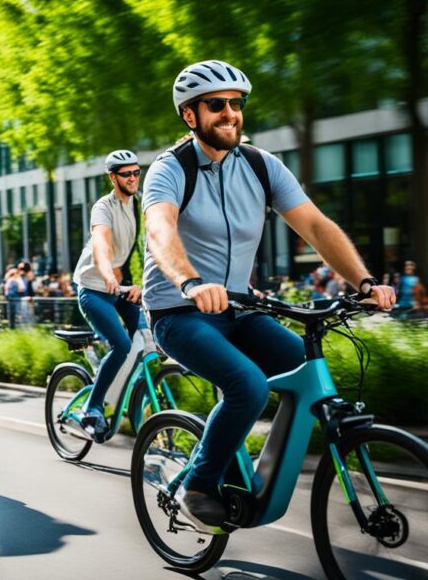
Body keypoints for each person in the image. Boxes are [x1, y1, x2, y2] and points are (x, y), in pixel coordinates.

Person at [143, 60, 395, 530]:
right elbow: (160, 229)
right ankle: (200, 483)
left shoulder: (261, 165)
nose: (229, 113)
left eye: (236, 104)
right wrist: (191, 282)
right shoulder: (168, 171)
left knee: (310, 375)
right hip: (181, 312)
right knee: (248, 386)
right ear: (190, 116)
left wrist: (363, 283)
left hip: (241, 307)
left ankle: (260, 474)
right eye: (216, 105)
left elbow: (315, 225)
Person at [70, 150, 144, 437]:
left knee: (151, 339)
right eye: (126, 174)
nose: (133, 178)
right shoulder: (103, 207)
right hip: (95, 289)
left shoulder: (139, 205)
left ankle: (125, 395)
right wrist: (106, 273)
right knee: (122, 345)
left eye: (137, 172)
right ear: (113, 177)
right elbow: (102, 244)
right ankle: (93, 407)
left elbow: (146, 248)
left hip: (124, 287)